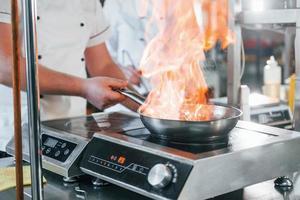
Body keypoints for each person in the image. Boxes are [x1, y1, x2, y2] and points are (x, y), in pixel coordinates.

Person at [0, 0, 136, 152]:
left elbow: (103, 65)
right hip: (16, 132)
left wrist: (148, 108)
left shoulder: (89, 3)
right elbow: (5, 66)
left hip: (72, 127)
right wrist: (84, 88)